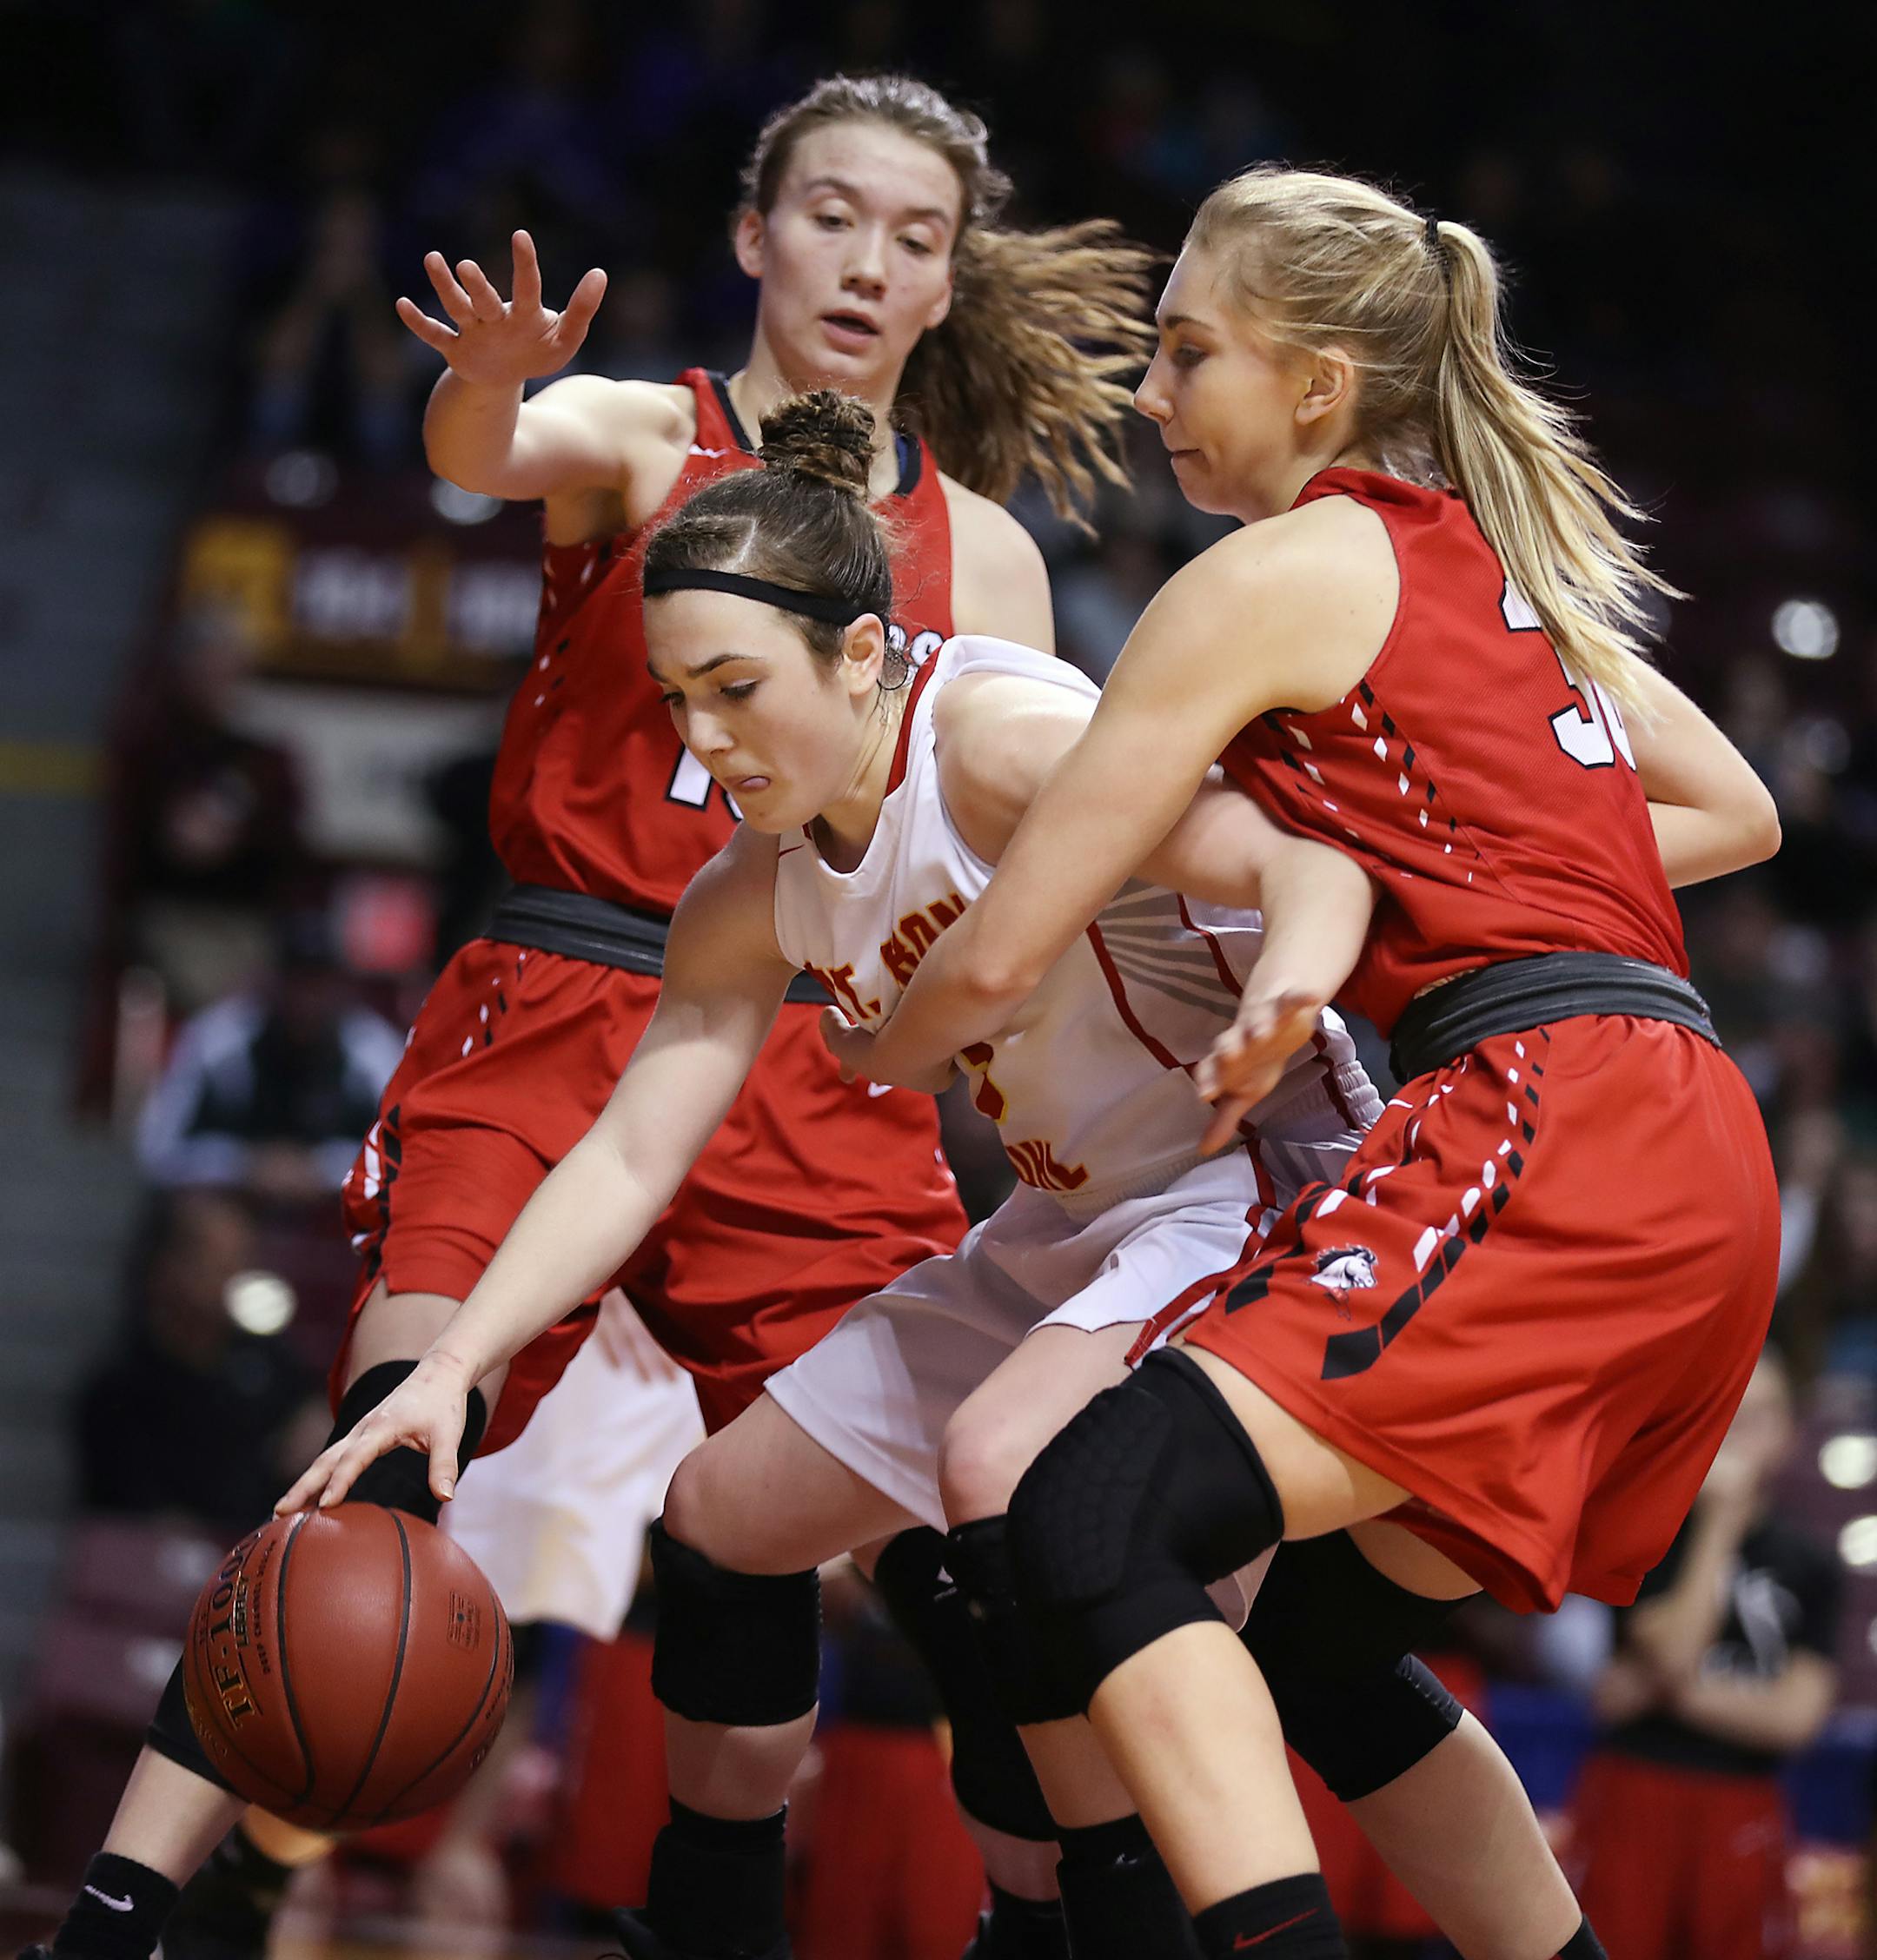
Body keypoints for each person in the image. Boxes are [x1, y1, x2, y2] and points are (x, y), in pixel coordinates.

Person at [23, 74, 1154, 1960]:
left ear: (953, 281)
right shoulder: (648, 432)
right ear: (750, 235)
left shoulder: (999, 562)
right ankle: (132, 1917)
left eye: (915, 235)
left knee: (939, 1571)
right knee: (383, 1470)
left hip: (812, 1052)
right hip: (559, 1010)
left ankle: (903, 1925)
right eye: (831, 217)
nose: (868, 261)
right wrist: (480, 383)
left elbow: (1016, 847)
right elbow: (487, 447)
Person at [278, 387, 1384, 1960]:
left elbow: (1302, 859)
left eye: (736, 688)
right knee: (722, 1510)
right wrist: (451, 1367)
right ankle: (715, 1926)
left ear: (863, 654)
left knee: (1015, 1487)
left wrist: (1290, 994)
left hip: (1255, 1187)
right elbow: (634, 1143)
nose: (705, 740)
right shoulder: (756, 887)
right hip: (1075, 1219)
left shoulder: (1003, 744)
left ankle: (1087, 1924)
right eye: (675, 700)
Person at [825, 165, 1785, 1960]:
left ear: (1319, 385)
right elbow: (1739, 808)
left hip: (1546, 1114)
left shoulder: (1265, 576)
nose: (1154, 393)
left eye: (1190, 354)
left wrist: (879, 1041)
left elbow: (1018, 940)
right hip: (1696, 1142)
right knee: (1304, 1644)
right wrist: (1488, 876)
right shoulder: (1499, 571)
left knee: (1088, 1511)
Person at [1572, 1348, 1839, 1960]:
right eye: (1731, 1410)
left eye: (1763, 1414)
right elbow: (1671, 1652)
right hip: (1634, 1790)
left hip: (1741, 1802)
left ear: (1790, 1433)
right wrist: (1721, 1521)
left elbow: (1795, 1720)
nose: (1742, 1430)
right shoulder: (1648, 1529)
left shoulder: (1812, 1562)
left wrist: (1657, 1691)